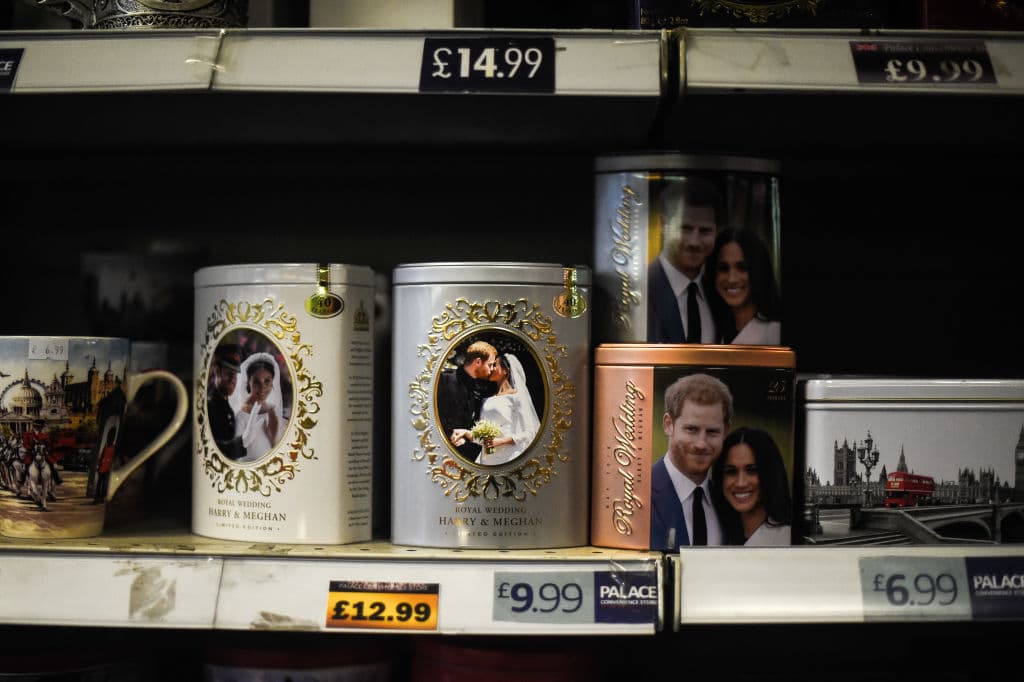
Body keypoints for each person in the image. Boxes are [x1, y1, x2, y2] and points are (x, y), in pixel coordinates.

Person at [650, 373, 733, 551]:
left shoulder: (729, 503)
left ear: (726, 431)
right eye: (691, 429)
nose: (701, 444)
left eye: (712, 432)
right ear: (668, 424)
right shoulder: (635, 496)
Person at [647, 177, 724, 344]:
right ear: (662, 224)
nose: (694, 242)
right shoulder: (639, 291)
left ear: (717, 231)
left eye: (705, 231)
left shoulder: (721, 293)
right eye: (685, 228)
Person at [451, 353, 541, 466]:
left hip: (511, 457)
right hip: (488, 459)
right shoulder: (487, 400)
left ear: (506, 370)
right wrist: (465, 432)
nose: (491, 369)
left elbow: (530, 433)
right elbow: (484, 439)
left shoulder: (517, 397)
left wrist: (500, 442)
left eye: (495, 365)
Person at [710, 426, 792, 546]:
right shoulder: (718, 536)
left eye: (752, 470)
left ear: (770, 474)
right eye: (731, 471)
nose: (741, 483)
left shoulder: (790, 540)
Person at [710, 228, 782, 345]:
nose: (732, 278)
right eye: (723, 268)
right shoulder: (714, 327)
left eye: (742, 267)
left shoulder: (775, 331)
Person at [436, 340, 497, 461]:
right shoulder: (444, 379)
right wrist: (450, 437)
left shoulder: (483, 388)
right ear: (478, 362)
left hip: (472, 456)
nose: (491, 370)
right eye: (489, 365)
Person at [229, 351, 285, 463]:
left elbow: (275, 447)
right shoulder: (241, 412)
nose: (262, 388)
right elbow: (235, 452)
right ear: (248, 382)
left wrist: (272, 436)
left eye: (267, 381)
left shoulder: (273, 410)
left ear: (273, 382)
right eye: (256, 382)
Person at [207, 344, 246, 461]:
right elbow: (214, 449)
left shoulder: (224, 404)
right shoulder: (212, 406)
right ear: (217, 371)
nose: (233, 379)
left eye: (235, 375)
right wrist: (246, 441)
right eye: (229, 373)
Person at [92, 424, 117, 504]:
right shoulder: (110, 446)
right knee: (102, 484)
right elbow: (102, 456)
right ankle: (99, 498)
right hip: (104, 467)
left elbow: (102, 456)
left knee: (101, 484)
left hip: (104, 467)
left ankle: (99, 498)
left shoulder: (109, 446)